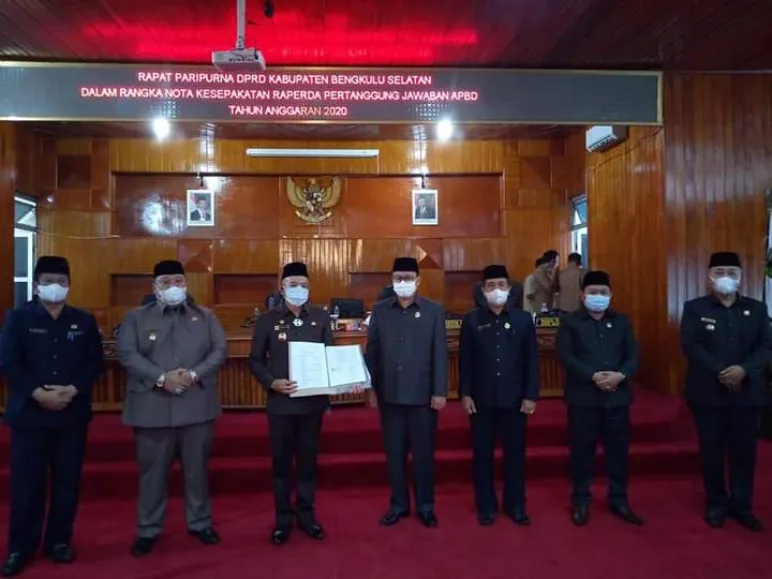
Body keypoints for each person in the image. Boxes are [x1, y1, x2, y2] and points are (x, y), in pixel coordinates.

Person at [0, 256, 103, 577]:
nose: (54, 287)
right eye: (47, 281)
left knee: (66, 483)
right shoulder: (18, 318)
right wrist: (37, 393)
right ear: (36, 285)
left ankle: (59, 541)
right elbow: (9, 362)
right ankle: (20, 547)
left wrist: (72, 390)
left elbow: (94, 363)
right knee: (27, 485)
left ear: (69, 285)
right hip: (29, 415)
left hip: (71, 415)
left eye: (61, 281)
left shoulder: (84, 321)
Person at [116, 260, 228, 557]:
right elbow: (126, 353)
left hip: (196, 407)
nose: (173, 287)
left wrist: (193, 374)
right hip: (152, 408)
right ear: (154, 288)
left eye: (178, 281)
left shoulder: (205, 316)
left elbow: (219, 350)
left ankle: (200, 522)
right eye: (166, 282)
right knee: (152, 474)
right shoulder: (135, 318)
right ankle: (148, 529)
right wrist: (161, 377)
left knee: (197, 472)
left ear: (186, 284)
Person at [249, 262, 362, 544]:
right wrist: (271, 382)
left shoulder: (321, 317)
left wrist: (348, 378)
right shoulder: (267, 320)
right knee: (281, 465)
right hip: (280, 405)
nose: (298, 289)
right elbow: (255, 360)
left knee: (308, 463)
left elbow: (331, 357)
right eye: (293, 284)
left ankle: (307, 515)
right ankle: (283, 520)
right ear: (282, 288)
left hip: (312, 405)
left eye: (303, 285)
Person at [680, 251, 771, 532]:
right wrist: (722, 371)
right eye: (719, 272)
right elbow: (691, 346)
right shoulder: (694, 308)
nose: (725, 277)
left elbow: (766, 346)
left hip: (748, 393)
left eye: (732, 272)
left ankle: (742, 506)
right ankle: (716, 503)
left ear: (741, 277)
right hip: (708, 393)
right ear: (709, 277)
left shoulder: (757, 309)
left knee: (745, 451)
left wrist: (743, 370)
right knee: (712, 451)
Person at [365, 257, 448, 528]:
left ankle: (426, 506)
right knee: (394, 455)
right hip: (389, 396)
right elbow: (372, 352)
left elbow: (440, 353)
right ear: (391, 281)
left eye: (408, 278)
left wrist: (439, 391)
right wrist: (370, 387)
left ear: (418, 280)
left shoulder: (433, 310)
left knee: (423, 456)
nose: (403, 282)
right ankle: (398, 505)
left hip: (423, 397)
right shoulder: (380, 310)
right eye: (398, 278)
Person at [555, 270, 643, 527]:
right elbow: (565, 356)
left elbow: (633, 355)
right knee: (582, 453)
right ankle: (581, 500)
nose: (598, 296)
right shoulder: (570, 322)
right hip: (583, 399)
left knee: (618, 453)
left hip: (617, 398)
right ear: (582, 295)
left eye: (603, 292)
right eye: (593, 292)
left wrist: (620, 375)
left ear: (610, 295)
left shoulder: (621, 322)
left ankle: (619, 499)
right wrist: (593, 376)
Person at [459, 265, 539, 526]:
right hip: (480, 400)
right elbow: (465, 361)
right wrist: (465, 393)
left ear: (509, 288)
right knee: (482, 456)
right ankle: (486, 506)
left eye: (501, 284)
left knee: (515, 456)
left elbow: (531, 361)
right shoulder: (472, 320)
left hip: (515, 400)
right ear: (483, 290)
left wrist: (530, 395)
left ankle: (516, 505)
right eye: (491, 285)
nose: (497, 289)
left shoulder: (523, 319)